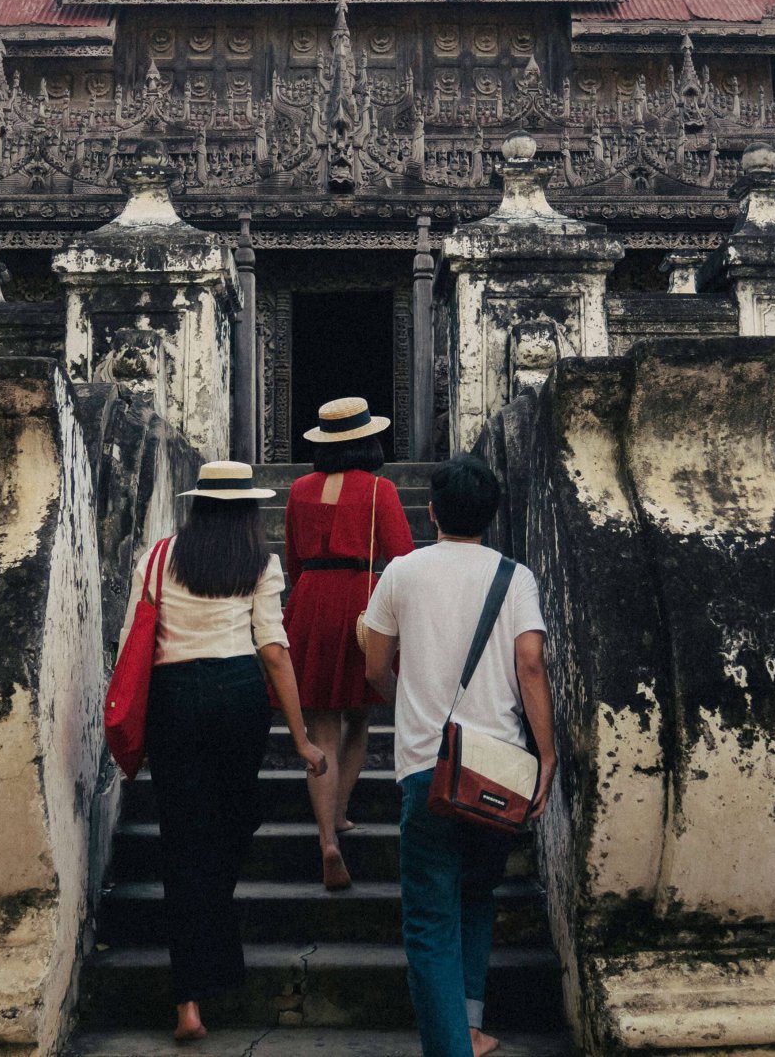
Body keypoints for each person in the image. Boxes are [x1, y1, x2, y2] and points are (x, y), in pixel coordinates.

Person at [118, 460, 329, 1042]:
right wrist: (302, 737)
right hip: (238, 697)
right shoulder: (259, 563)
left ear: (199, 505)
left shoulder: (159, 556)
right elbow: (275, 651)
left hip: (174, 698)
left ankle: (189, 1001)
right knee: (232, 824)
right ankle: (211, 951)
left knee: (184, 841)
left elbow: (135, 639)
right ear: (247, 510)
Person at [361, 454, 556, 1057]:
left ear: (431, 512)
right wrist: (546, 754)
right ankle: (468, 1026)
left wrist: (407, 700)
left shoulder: (402, 572)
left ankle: (452, 1046)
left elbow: (374, 665)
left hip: (429, 766)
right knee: (476, 899)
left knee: (429, 919)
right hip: (498, 769)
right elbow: (530, 665)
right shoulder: (515, 576)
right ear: (491, 515)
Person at [283, 396, 415, 890]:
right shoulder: (381, 490)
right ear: (367, 440)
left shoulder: (297, 489)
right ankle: (339, 814)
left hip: (311, 601)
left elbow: (294, 560)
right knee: (360, 718)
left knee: (320, 730)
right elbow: (403, 560)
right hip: (363, 602)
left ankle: (325, 840)